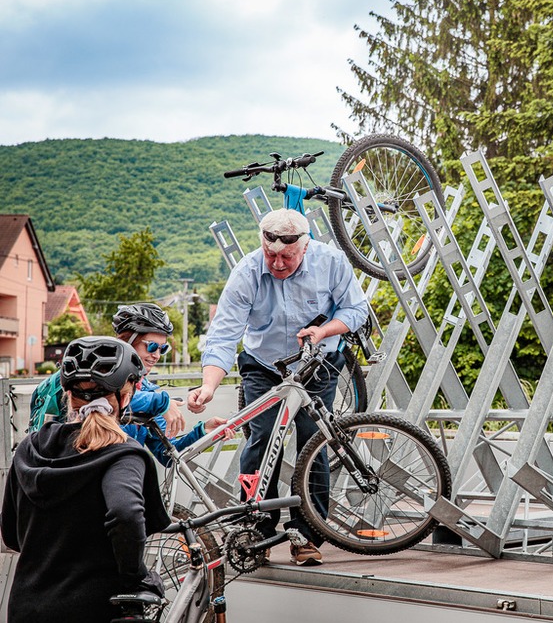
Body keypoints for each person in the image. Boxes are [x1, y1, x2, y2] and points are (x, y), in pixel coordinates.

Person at [188, 208, 368, 566]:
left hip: (317, 361)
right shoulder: (247, 272)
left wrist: (323, 331)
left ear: (305, 246)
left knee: (313, 442)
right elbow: (223, 335)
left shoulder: (331, 262)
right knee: (261, 438)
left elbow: (356, 310)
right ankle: (258, 528)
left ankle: (307, 534)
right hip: (264, 365)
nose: (278, 264)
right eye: (271, 255)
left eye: (287, 256)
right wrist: (208, 386)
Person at [2, 336, 171, 623]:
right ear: (125, 397)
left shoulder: (29, 448)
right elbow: (126, 514)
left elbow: (11, 536)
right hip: (94, 609)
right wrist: (137, 577)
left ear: (67, 394)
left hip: (25, 608)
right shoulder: (123, 454)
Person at [29, 302, 228, 466]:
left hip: (120, 474)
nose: (157, 355)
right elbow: (103, 400)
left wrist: (203, 432)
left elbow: (167, 455)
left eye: (163, 349)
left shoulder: (148, 391)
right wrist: (162, 402)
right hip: (73, 473)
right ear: (127, 343)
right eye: (151, 346)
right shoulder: (91, 374)